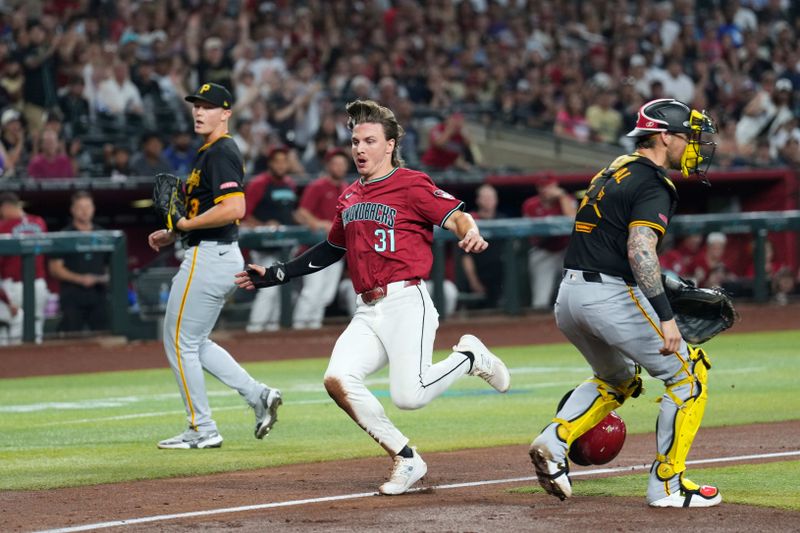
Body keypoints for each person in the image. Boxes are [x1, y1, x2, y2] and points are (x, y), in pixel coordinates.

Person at [235, 99, 510, 495]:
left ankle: (469, 358)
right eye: (355, 141)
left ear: (390, 145)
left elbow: (455, 215)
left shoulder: (412, 183)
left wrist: (471, 230)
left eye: (369, 140)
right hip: (367, 308)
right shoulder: (349, 196)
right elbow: (332, 249)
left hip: (406, 301)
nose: (359, 149)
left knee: (409, 397)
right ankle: (406, 457)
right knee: (337, 379)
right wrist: (278, 273)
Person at [528, 98, 722, 508]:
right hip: (609, 295)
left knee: (617, 378)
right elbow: (639, 249)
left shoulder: (614, 168)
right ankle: (668, 486)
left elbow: (610, 239)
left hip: (570, 295)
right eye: (686, 136)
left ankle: (554, 441)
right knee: (690, 378)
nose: (692, 145)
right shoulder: (653, 182)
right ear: (664, 135)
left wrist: (662, 284)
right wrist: (666, 318)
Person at [146, 82, 282, 450]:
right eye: (196, 106)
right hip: (215, 253)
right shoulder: (209, 152)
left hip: (209, 256)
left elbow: (235, 208)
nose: (199, 112)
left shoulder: (221, 150)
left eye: (208, 106)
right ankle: (258, 395)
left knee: (178, 342)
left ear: (226, 113)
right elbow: (208, 211)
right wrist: (173, 232)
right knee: (194, 341)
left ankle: (201, 428)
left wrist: (186, 226)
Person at [242, 144, 299, 333]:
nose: (281, 165)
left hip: (285, 244)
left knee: (281, 290)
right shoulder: (259, 183)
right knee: (269, 289)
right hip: (263, 246)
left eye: (284, 161)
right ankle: (255, 329)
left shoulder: (290, 184)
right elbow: (243, 214)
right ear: (270, 164)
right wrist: (263, 225)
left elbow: (292, 213)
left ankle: (274, 332)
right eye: (277, 162)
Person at [292, 147, 349, 329]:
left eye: (342, 164)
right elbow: (301, 213)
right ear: (328, 165)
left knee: (326, 296)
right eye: (335, 163)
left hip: (337, 250)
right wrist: (320, 223)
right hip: (315, 248)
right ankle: (298, 332)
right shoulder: (317, 186)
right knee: (312, 293)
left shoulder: (346, 188)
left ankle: (313, 331)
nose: (339, 167)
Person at [48, 191, 109, 333]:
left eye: (88, 206)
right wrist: (81, 279)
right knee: (71, 338)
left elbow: (111, 267)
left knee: (103, 336)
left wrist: (99, 279)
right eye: (80, 207)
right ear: (72, 210)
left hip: (98, 294)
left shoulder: (104, 235)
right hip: (72, 295)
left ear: (93, 208)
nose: (85, 211)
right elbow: (55, 268)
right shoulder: (64, 236)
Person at [0, 192, 49, 344]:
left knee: (13, 326)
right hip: (39, 284)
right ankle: (37, 364)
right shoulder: (39, 222)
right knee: (37, 325)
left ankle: (18, 365)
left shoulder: (3, 226)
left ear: (6, 208)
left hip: (13, 286)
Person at [522, 179, 577, 310]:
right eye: (543, 186)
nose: (546, 190)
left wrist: (563, 197)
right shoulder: (531, 204)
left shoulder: (566, 199)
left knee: (575, 294)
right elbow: (530, 235)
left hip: (566, 252)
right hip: (543, 251)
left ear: (556, 186)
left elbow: (573, 220)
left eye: (549, 186)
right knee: (540, 301)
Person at [460, 184, 505, 308]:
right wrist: (473, 281)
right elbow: (465, 256)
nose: (488, 201)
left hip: (499, 276)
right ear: (478, 200)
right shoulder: (470, 221)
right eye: (485, 198)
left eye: (491, 198)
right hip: (477, 273)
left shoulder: (502, 220)